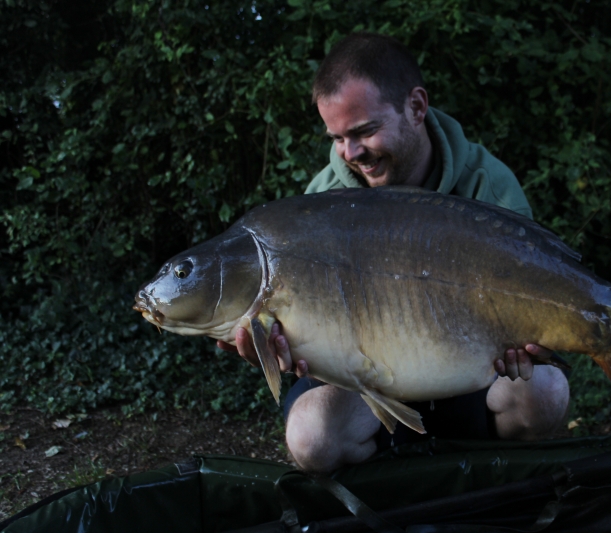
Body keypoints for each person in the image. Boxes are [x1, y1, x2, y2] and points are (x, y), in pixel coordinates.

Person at [219, 33, 570, 472]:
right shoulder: (319, 204)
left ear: (417, 107)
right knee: (312, 437)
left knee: (547, 393)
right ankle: (388, 496)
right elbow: (305, 344)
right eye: (338, 138)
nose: (351, 154)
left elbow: (535, 304)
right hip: (369, 387)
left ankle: (493, 485)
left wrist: (527, 346)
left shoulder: (487, 186)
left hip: (471, 376)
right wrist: (279, 349)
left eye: (365, 131)